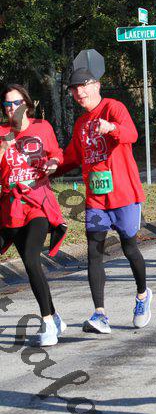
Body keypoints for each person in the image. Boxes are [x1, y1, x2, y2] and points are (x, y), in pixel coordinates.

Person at [55, 55, 152, 333]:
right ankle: (100, 314)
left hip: (124, 194)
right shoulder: (81, 123)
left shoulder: (113, 107)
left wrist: (111, 128)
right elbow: (71, 157)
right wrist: (49, 168)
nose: (79, 93)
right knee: (94, 251)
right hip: (96, 198)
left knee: (129, 247)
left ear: (96, 85)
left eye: (83, 86)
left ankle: (143, 295)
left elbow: (131, 134)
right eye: (74, 89)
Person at [0, 84, 67, 346]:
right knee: (31, 266)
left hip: (38, 202)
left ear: (27, 104)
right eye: (7, 104)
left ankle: (47, 323)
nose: (12, 108)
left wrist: (54, 163)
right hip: (12, 207)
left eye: (16, 103)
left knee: (30, 258)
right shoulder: (2, 133)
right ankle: (55, 317)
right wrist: (4, 145)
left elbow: (56, 153)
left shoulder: (42, 127)